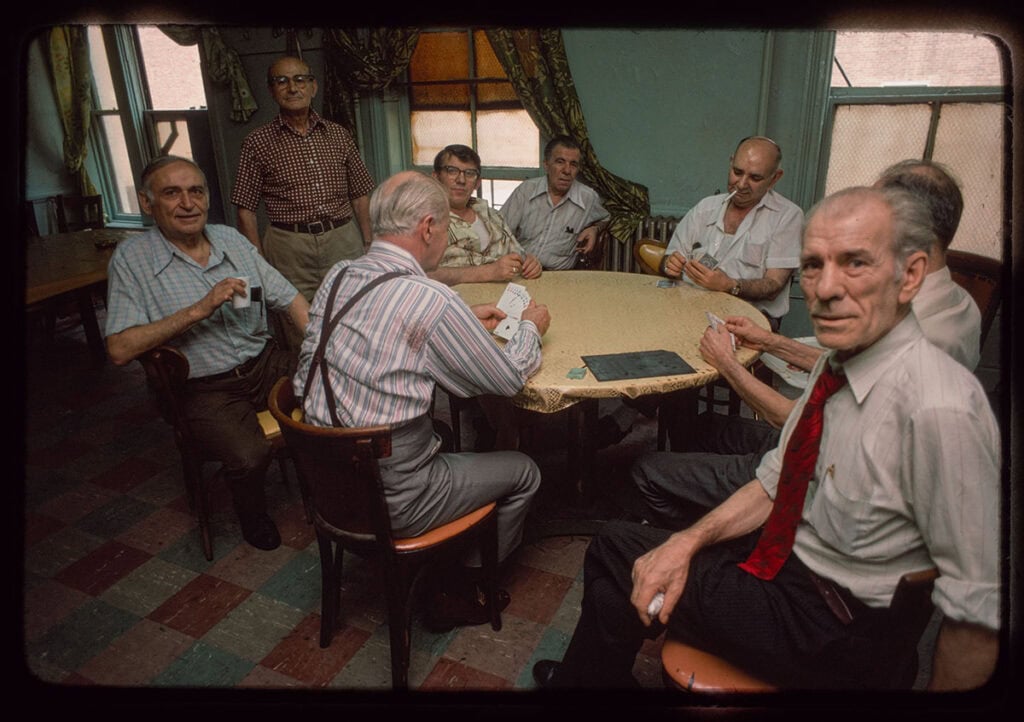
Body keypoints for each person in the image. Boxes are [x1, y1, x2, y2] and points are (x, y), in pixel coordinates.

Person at [532, 185, 1000, 691]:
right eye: (815, 265)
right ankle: (594, 688)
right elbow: (773, 482)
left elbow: (974, 619)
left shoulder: (942, 407)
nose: (825, 288)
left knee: (611, 548)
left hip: (832, 628)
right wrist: (687, 543)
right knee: (626, 573)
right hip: (789, 562)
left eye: (856, 263)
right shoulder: (849, 360)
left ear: (910, 274)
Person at [634, 159, 985, 529]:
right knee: (702, 427)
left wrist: (728, 365)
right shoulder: (953, 304)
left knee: (646, 470)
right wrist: (771, 342)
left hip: (823, 479)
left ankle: (714, 550)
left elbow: (794, 418)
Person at [293, 170, 551, 630]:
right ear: (429, 228)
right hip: (392, 494)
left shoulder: (338, 276)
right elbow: (508, 380)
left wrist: (460, 320)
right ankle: (464, 586)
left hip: (328, 482)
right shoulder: (431, 298)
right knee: (525, 470)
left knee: (445, 431)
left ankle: (448, 551)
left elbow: (381, 327)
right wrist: (531, 325)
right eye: (445, 229)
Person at [105, 156, 311, 551]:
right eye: (172, 193)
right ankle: (253, 515)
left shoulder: (231, 240)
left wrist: (321, 348)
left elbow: (288, 298)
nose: (187, 203)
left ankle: (329, 489)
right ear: (148, 205)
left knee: (337, 382)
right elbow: (119, 349)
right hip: (205, 387)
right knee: (250, 455)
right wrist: (198, 310)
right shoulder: (132, 261)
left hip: (264, 363)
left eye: (195, 191)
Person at [231, 55, 375, 308]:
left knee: (353, 310)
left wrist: (368, 241)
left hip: (342, 239)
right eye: (282, 81)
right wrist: (259, 261)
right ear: (271, 90)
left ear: (313, 86)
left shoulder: (339, 135)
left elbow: (360, 194)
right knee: (297, 321)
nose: (293, 88)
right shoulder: (256, 142)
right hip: (289, 247)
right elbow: (245, 211)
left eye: (300, 79)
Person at [659, 136, 803, 332]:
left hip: (751, 320)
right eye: (737, 172)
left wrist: (730, 286)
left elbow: (774, 285)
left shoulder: (787, 216)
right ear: (731, 162)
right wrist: (669, 264)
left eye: (755, 178)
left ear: (774, 178)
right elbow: (669, 259)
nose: (741, 184)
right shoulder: (705, 208)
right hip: (692, 310)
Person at [427, 144, 542, 285]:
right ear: (436, 177)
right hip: (457, 302)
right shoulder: (424, 221)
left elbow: (519, 255)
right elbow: (420, 275)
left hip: (506, 296)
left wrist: (530, 263)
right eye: (452, 171)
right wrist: (489, 272)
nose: (461, 180)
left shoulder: (491, 214)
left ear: (477, 183)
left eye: (469, 173)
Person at [499, 135, 610, 270]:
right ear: (546, 164)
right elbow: (500, 232)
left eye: (573, 164)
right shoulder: (526, 190)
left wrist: (595, 229)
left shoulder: (588, 198)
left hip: (559, 275)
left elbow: (606, 218)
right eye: (560, 162)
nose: (567, 170)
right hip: (521, 270)